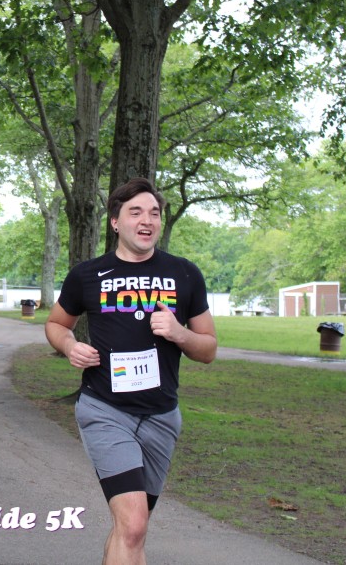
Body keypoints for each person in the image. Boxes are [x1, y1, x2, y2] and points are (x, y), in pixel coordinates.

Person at [45, 177, 217, 565]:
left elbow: (208, 349)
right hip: (105, 410)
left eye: (153, 213)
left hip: (161, 416)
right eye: (135, 212)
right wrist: (70, 346)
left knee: (130, 529)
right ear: (115, 222)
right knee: (134, 524)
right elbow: (56, 324)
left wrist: (179, 333)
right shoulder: (88, 275)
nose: (146, 220)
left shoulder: (184, 274)